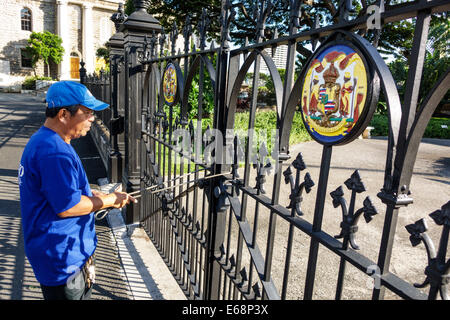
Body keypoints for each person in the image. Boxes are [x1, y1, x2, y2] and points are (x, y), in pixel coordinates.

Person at [18, 81, 136, 300]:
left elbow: (61, 192)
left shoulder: (46, 141)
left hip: (59, 252)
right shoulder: (54, 152)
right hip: (63, 258)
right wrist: (110, 200)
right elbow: (68, 206)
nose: (93, 118)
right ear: (64, 114)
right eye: (87, 112)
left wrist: (95, 195)